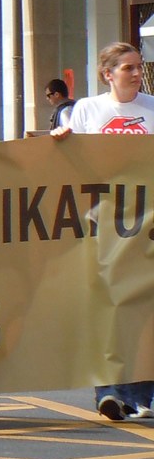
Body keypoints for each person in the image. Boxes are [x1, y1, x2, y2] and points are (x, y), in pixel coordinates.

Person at [51, 42, 154, 420]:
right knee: (108, 308)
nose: (135, 72)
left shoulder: (152, 108)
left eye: (138, 66)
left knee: (143, 308)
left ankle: (142, 393)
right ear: (107, 74)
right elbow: (67, 160)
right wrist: (61, 143)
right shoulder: (87, 110)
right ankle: (110, 392)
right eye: (127, 67)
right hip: (103, 223)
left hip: (146, 227)